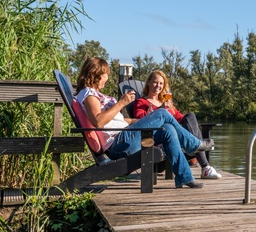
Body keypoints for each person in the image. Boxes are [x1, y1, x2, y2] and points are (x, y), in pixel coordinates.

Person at [75, 57, 212, 189]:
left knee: (168, 129)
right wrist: (121, 103)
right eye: (105, 74)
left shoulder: (95, 94)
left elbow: (115, 121)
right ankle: (193, 144)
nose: (107, 78)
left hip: (125, 136)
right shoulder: (89, 94)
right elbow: (98, 121)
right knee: (163, 113)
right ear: (96, 74)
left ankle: (185, 176)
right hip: (119, 144)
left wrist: (136, 121)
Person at [132, 70, 222, 180]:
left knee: (190, 116)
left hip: (177, 135)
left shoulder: (165, 102)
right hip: (161, 137)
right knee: (189, 130)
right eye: (155, 82)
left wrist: (172, 110)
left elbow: (181, 118)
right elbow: (141, 121)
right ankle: (204, 165)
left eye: (161, 83)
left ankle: (198, 150)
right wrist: (160, 109)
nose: (158, 86)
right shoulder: (142, 102)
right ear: (149, 83)